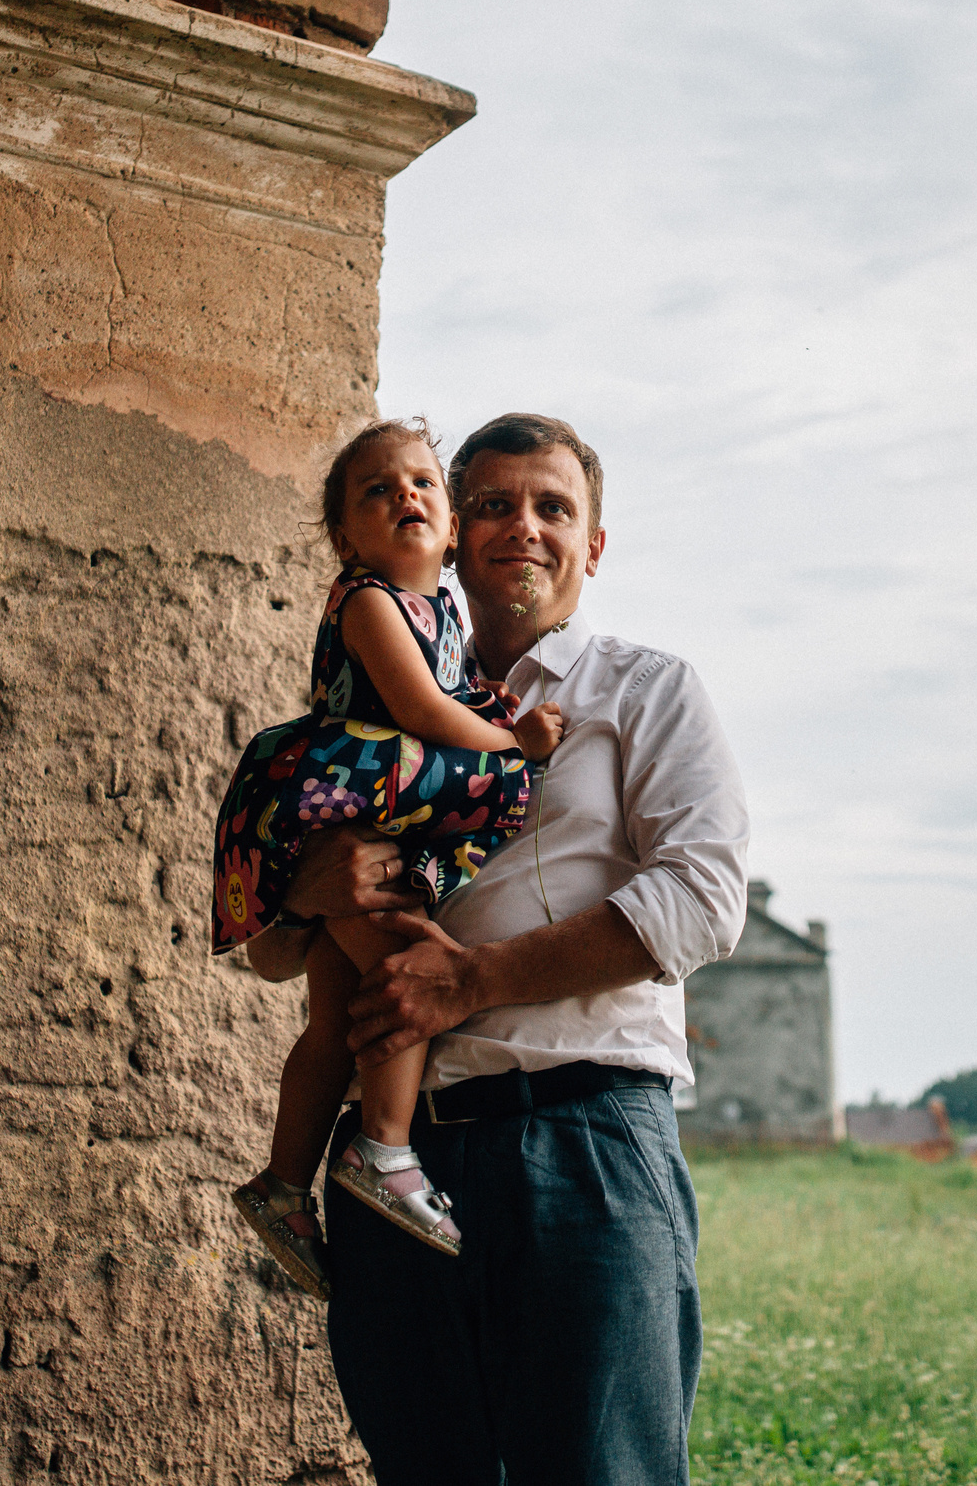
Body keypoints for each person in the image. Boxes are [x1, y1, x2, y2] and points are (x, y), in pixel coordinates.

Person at [247, 412, 750, 1486]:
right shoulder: (381, 703)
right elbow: (276, 959)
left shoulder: (645, 690)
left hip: (584, 1140)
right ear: (452, 538)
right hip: (393, 1165)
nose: (522, 525)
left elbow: (704, 899)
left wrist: (471, 983)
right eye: (492, 504)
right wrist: (306, 892)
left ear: (592, 546)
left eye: (553, 507)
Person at [219, 419, 567, 1296]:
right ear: (346, 538)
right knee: (409, 977)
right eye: (378, 490)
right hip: (343, 804)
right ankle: (384, 1149)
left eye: (423, 483)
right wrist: (514, 740)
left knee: (335, 1023)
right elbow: (421, 710)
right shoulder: (369, 601)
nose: (405, 494)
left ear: (450, 530)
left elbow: (450, 693)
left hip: (378, 816)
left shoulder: (441, 612)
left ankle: (282, 1186)